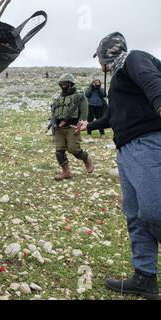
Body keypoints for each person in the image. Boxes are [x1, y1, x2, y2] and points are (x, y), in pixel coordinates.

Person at [75, 32, 161, 300]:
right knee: (135, 215)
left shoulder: (132, 60)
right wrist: (90, 125)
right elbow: (114, 115)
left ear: (105, 54)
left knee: (155, 211)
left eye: (99, 59)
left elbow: (153, 82)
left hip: (148, 144)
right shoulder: (119, 80)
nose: (99, 65)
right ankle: (144, 277)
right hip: (128, 151)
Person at [51, 74, 93, 181]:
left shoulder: (79, 96)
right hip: (58, 128)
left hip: (72, 127)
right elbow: (54, 112)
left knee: (74, 149)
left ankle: (86, 159)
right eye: (62, 83)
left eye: (65, 83)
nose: (63, 85)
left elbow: (84, 112)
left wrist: (80, 125)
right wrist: (53, 124)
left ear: (71, 83)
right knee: (59, 151)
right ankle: (66, 171)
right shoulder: (58, 97)